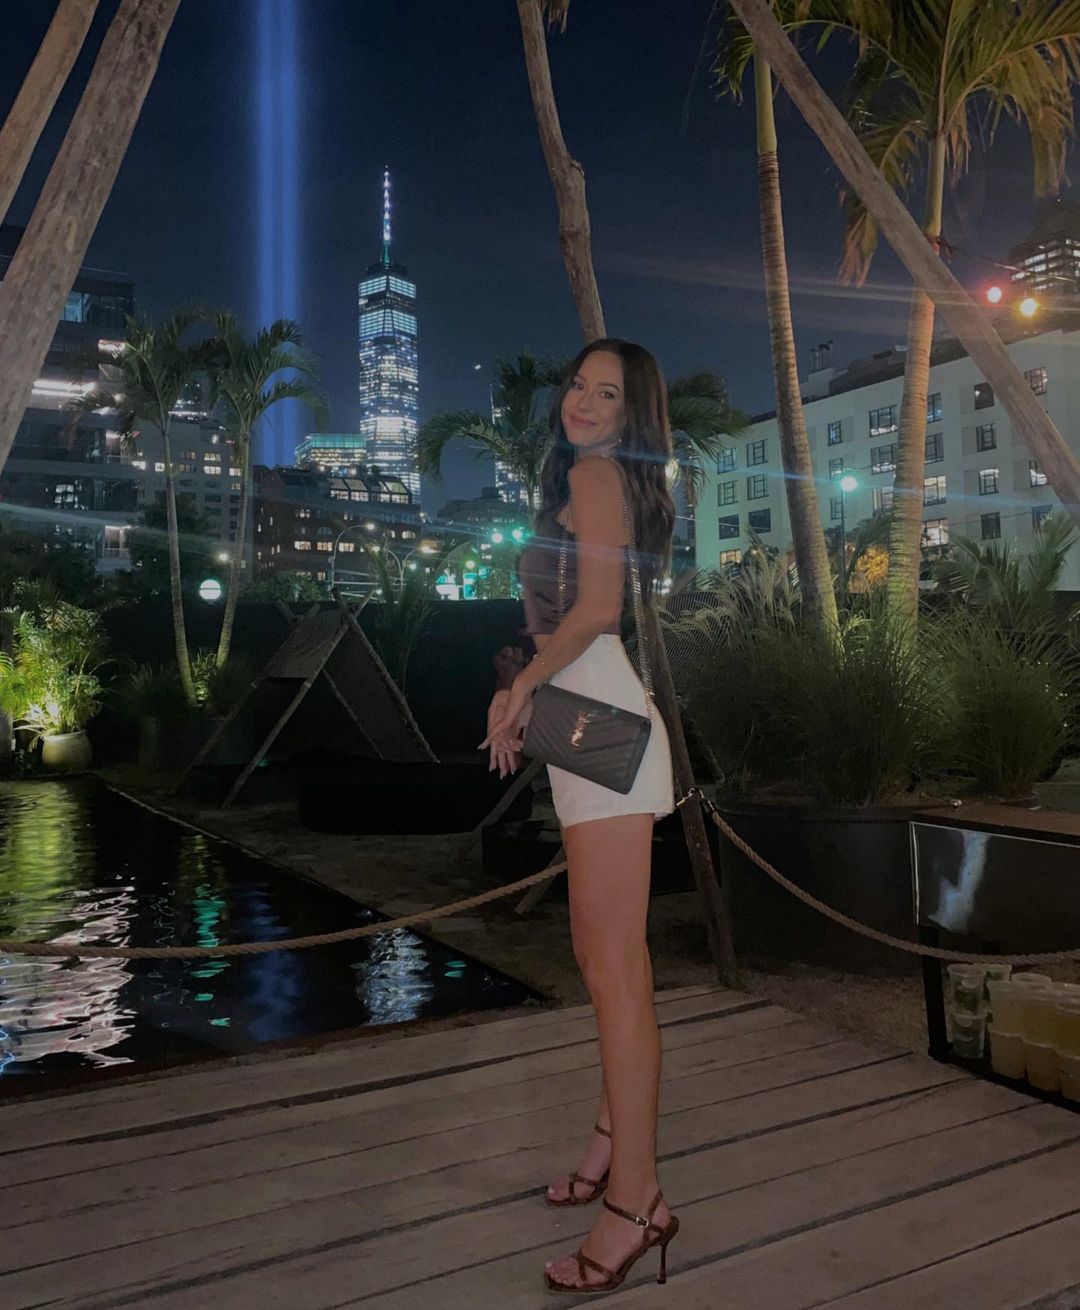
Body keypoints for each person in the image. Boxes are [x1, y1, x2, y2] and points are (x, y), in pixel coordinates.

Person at [480, 339, 680, 1294]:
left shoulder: (597, 477)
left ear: (631, 414)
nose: (584, 403)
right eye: (577, 385)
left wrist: (525, 685)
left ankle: (637, 1203)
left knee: (615, 978)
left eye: (608, 394)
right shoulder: (586, 480)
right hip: (588, 733)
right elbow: (558, 622)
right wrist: (517, 689)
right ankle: (610, 1146)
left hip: (603, 739)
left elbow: (598, 608)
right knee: (614, 971)